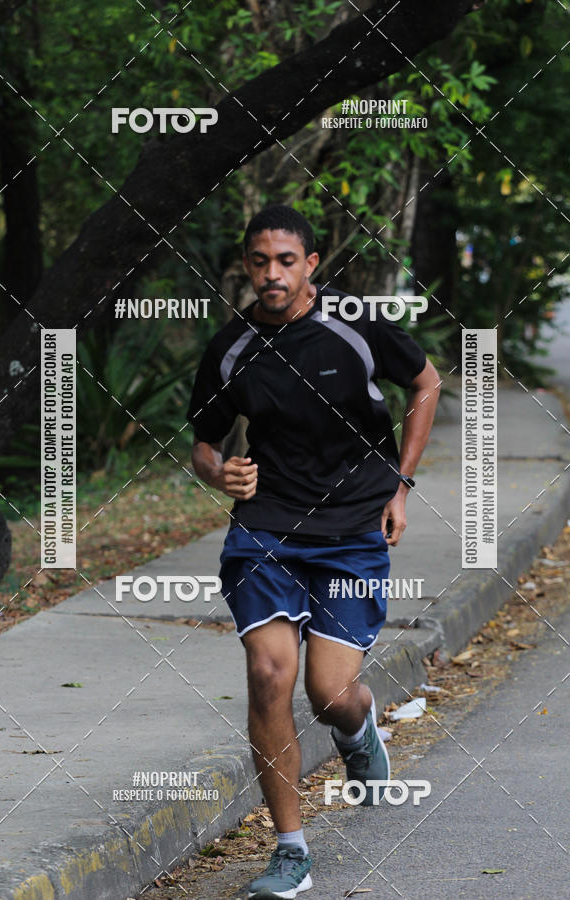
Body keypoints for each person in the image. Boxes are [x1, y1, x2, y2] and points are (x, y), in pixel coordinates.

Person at [187, 204, 440, 899]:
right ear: (247, 265)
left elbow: (425, 384)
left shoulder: (354, 324)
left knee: (329, 694)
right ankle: (291, 851)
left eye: (286, 261)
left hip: (355, 527)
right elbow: (204, 442)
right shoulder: (231, 347)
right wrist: (218, 472)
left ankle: (359, 733)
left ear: (311, 265)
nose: (273, 274)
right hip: (265, 527)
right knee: (270, 674)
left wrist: (400, 482)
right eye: (260, 261)